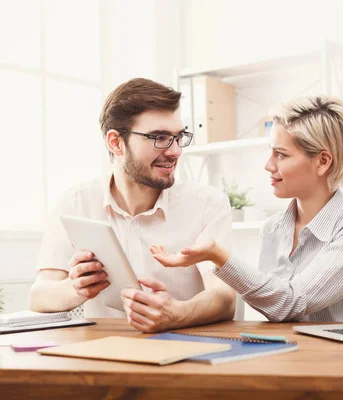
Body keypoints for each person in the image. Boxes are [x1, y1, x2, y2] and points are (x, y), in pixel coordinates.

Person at [29, 78, 236, 333]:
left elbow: (225, 298)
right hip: (102, 355)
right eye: (159, 137)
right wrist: (74, 288)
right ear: (116, 142)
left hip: (185, 352)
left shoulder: (207, 205)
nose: (175, 152)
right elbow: (39, 296)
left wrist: (176, 314)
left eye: (178, 137)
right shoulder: (76, 203)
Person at [151, 96, 343, 322]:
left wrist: (219, 256)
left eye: (281, 154)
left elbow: (289, 303)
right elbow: (274, 311)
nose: (268, 165)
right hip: (284, 354)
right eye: (271, 152)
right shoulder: (273, 228)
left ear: (323, 162)